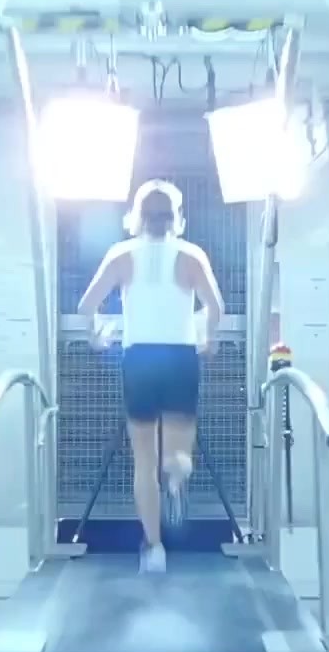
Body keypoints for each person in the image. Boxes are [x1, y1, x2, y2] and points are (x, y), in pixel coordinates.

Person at [78, 178, 225, 572]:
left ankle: (154, 548)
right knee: (176, 449)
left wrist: (97, 336)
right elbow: (215, 307)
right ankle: (177, 471)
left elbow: (87, 305)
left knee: (144, 460)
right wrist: (208, 337)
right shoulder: (191, 255)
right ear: (177, 217)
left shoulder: (122, 254)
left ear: (137, 216)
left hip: (139, 358)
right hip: (180, 357)